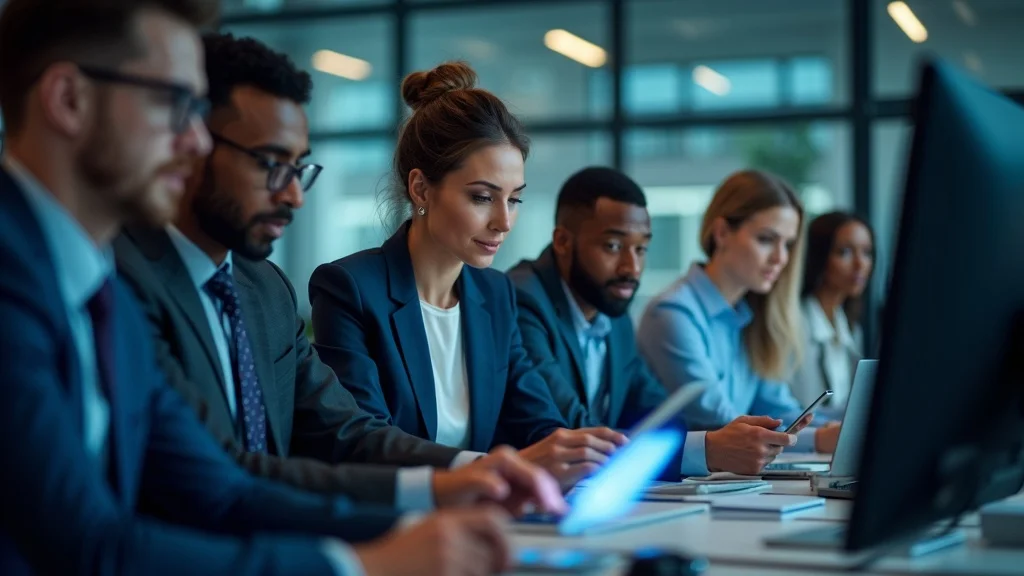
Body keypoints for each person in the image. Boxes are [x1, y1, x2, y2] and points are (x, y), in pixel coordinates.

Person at [0, 3, 561, 575]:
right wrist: (364, 565)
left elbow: (221, 488)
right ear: (69, 99)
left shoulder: (101, 284)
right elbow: (89, 544)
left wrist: (442, 497)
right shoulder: (55, 278)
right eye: (175, 106)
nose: (195, 142)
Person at [114, 32, 552, 514]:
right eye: (269, 164)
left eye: (298, 168)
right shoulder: (123, 281)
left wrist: (472, 471)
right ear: (191, 144)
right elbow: (223, 471)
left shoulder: (264, 289)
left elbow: (345, 433)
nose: (293, 196)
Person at [309, 61, 626, 489]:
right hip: (393, 525)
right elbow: (361, 441)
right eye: (482, 197)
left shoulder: (496, 294)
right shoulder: (351, 288)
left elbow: (537, 420)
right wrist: (483, 469)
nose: (504, 222)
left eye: (514, 200)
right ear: (421, 189)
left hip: (483, 517)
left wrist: (578, 452)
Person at [509, 166, 801, 476]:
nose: (631, 267)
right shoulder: (522, 300)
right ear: (563, 242)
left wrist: (703, 445)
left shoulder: (612, 313)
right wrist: (705, 450)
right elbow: (573, 434)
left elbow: (662, 415)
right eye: (613, 246)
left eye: (641, 248)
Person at [637, 170, 841, 454]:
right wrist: (820, 440)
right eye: (767, 239)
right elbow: (725, 425)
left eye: (788, 244)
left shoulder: (750, 317)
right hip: (674, 488)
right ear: (721, 233)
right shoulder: (673, 313)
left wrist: (832, 429)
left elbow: (783, 415)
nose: (781, 258)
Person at [790, 211, 875, 409]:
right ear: (818, 256)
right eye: (844, 252)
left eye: (867, 252)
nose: (860, 264)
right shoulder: (793, 324)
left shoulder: (851, 327)